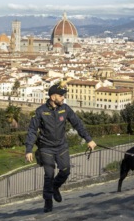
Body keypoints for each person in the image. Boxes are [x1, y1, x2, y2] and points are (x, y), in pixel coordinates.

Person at [25, 83, 97, 213]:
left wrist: (89, 139)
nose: (63, 97)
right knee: (49, 174)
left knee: (65, 170)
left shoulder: (65, 109)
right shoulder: (40, 111)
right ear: (53, 97)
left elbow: (77, 124)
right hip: (46, 148)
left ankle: (55, 187)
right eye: (60, 95)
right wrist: (29, 149)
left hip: (61, 146)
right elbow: (32, 130)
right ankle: (48, 201)